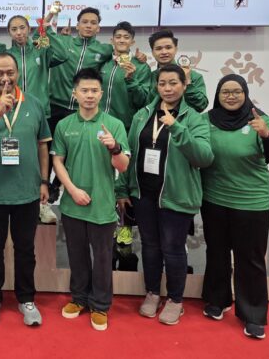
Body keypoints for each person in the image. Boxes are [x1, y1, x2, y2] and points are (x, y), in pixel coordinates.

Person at [116, 64, 213, 325]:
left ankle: (175, 299)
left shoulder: (194, 118)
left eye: (173, 83)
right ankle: (152, 292)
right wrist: (122, 188)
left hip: (176, 195)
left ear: (184, 85)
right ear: (156, 86)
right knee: (150, 246)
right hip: (144, 194)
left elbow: (204, 157)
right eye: (162, 83)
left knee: (173, 248)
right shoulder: (142, 115)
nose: (167, 88)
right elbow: (129, 153)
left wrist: (177, 128)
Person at [0, 52, 51, 327]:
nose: (5, 78)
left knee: (25, 248)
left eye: (10, 73)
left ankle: (26, 299)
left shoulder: (34, 104)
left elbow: (42, 145)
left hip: (27, 192)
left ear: (18, 73)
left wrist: (44, 181)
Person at [201, 75, 269, 340]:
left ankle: (253, 314)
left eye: (236, 91)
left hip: (251, 202)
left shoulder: (260, 119)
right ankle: (218, 300)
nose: (231, 96)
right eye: (225, 91)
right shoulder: (206, 120)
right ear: (218, 95)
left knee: (250, 259)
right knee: (217, 252)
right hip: (214, 198)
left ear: (245, 93)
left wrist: (266, 135)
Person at [51, 68, 130, 331]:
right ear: (74, 94)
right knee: (77, 255)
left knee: (103, 258)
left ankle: (100, 305)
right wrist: (72, 190)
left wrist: (114, 147)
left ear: (101, 93)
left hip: (103, 204)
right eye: (84, 90)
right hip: (72, 203)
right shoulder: (64, 125)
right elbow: (57, 161)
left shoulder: (114, 125)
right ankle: (79, 299)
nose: (89, 95)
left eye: (94, 90)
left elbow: (123, 166)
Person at [6, 14, 68, 224]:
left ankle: (43, 204)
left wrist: (48, 29)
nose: (19, 32)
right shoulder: (7, 55)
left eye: (22, 27)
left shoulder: (41, 49)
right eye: (14, 29)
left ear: (29, 28)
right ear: (9, 32)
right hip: (12, 114)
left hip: (40, 113)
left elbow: (63, 54)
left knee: (42, 160)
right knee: (13, 157)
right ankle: (14, 202)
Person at [99, 21, 150, 245]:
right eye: (118, 36)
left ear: (132, 41)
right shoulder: (103, 64)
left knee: (124, 180)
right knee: (103, 176)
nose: (121, 40)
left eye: (126, 37)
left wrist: (132, 78)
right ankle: (108, 228)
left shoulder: (141, 67)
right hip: (101, 127)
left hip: (126, 128)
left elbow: (143, 100)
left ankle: (125, 233)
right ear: (112, 40)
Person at [146, 30, 208, 112]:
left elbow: (201, 105)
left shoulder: (193, 76)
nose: (164, 52)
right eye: (158, 49)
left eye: (168, 47)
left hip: (185, 120)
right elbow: (144, 105)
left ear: (176, 49)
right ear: (153, 52)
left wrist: (188, 83)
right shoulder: (149, 77)